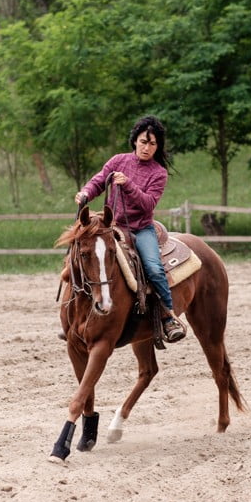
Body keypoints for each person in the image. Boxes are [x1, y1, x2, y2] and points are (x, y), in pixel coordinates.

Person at [74, 115, 186, 344]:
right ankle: (75, 315)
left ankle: (168, 316)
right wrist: (85, 193)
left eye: (152, 144)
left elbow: (148, 204)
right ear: (135, 140)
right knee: (81, 257)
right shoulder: (118, 161)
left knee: (154, 269)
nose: (147, 147)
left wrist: (129, 185)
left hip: (141, 229)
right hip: (112, 226)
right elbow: (98, 181)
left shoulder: (158, 173)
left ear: (158, 147)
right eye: (143, 141)